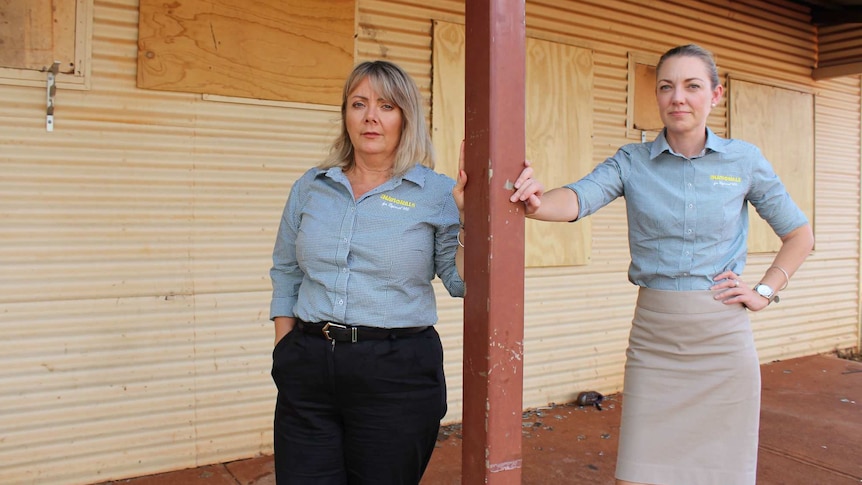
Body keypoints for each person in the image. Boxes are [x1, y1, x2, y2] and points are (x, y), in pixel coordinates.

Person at [509, 44, 814, 485]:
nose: (678, 98)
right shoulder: (632, 162)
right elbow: (578, 198)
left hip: (723, 344)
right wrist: (534, 202)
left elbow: (799, 235)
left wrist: (764, 292)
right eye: (667, 87)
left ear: (716, 94)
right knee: (638, 474)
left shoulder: (743, 160)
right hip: (655, 341)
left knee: (721, 476)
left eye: (692, 86)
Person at [269, 60, 467, 484]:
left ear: (406, 117)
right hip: (309, 364)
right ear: (346, 115)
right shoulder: (312, 185)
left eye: (387, 105)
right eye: (359, 104)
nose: (371, 116)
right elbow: (286, 270)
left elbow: (460, 281)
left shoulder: (437, 193)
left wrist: (470, 220)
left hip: (397, 372)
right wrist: (285, 350)